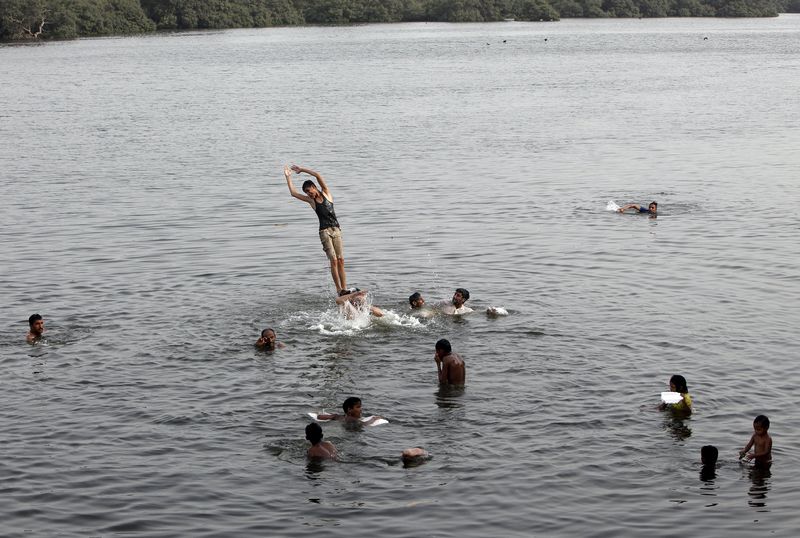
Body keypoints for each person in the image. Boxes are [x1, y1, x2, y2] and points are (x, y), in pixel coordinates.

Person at [283, 164, 347, 293]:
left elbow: (317, 175)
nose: (308, 194)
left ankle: (345, 288)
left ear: (314, 187)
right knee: (333, 261)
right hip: (324, 232)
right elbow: (293, 193)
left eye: (309, 191)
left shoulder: (327, 194)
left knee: (341, 260)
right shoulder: (311, 201)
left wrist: (302, 170)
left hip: (336, 230)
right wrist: (288, 178)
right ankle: (339, 289)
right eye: (306, 193)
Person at [317, 396, 384, 426]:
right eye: (358, 407)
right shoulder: (353, 419)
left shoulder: (337, 416)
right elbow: (365, 424)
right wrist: (373, 419)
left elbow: (319, 416)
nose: (361, 409)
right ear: (349, 409)